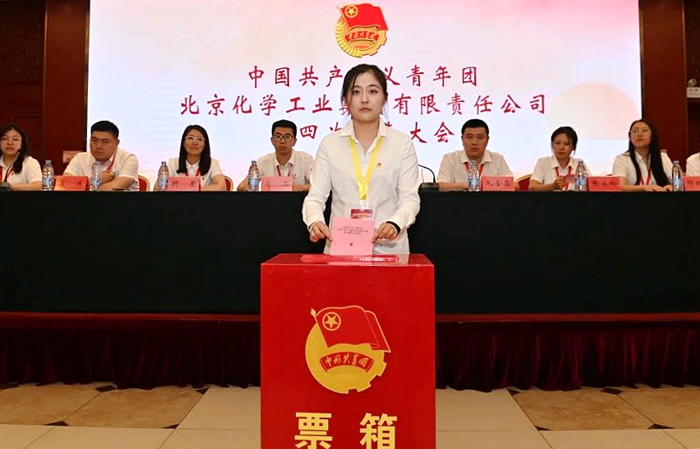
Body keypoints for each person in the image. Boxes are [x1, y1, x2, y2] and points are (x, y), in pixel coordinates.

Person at [302, 64, 421, 254]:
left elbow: (410, 199)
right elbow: (315, 198)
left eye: (372, 91)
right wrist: (315, 221)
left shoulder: (402, 144)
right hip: (341, 250)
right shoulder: (330, 144)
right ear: (345, 101)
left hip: (390, 250)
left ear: (384, 98)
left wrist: (395, 223)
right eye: (356, 92)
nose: (364, 99)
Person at [436, 118, 518, 190]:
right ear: (462, 139)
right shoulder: (450, 158)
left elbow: (515, 186)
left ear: (487, 140)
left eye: (480, 137)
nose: (474, 142)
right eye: (469, 137)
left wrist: (484, 185)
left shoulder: (497, 159)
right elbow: (441, 186)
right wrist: (470, 185)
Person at [236, 119, 314, 192]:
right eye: (278, 136)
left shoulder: (306, 160)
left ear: (294, 141)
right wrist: (246, 188)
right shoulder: (263, 162)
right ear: (272, 140)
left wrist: (303, 188)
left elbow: (317, 186)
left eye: (287, 137)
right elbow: (240, 187)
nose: (282, 141)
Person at [64, 120, 139, 191]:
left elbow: (116, 187)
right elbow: (64, 184)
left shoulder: (128, 159)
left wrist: (81, 185)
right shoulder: (80, 158)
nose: (98, 146)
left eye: (105, 142)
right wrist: (97, 180)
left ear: (117, 143)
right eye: (94, 140)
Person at [612, 119, 671, 192]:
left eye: (644, 130)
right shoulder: (622, 159)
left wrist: (671, 186)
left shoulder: (663, 157)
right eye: (635, 131)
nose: (639, 134)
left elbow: (677, 181)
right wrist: (643, 188)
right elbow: (620, 186)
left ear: (653, 136)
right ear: (630, 137)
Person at [529, 126, 591, 191]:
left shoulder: (579, 164)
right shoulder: (543, 162)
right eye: (557, 143)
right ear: (552, 145)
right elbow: (532, 187)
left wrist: (572, 179)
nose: (561, 147)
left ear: (573, 147)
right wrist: (552, 186)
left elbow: (591, 185)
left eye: (566, 144)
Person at [168, 125, 226, 191]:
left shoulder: (212, 163)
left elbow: (222, 187)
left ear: (205, 145)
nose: (195, 143)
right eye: (190, 138)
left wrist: (193, 189)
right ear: (183, 142)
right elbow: (160, 187)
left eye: (199, 139)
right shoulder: (173, 163)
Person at [0, 123, 42, 191]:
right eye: (5, 139)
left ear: (22, 143)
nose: (9, 143)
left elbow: (38, 185)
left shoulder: (29, 162)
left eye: (15, 139)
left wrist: (10, 187)